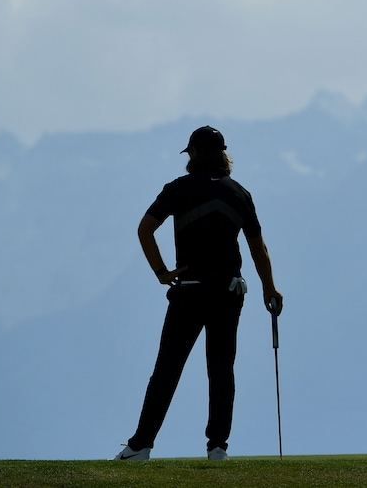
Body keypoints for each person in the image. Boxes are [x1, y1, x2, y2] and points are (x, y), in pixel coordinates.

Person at [115, 126, 283, 461]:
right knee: (221, 369)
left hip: (189, 292)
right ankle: (217, 448)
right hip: (228, 291)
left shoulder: (178, 189)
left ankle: (140, 446)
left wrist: (162, 273)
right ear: (223, 154)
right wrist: (269, 288)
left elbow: (144, 229)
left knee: (167, 369)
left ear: (192, 153)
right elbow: (257, 248)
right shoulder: (239, 193)